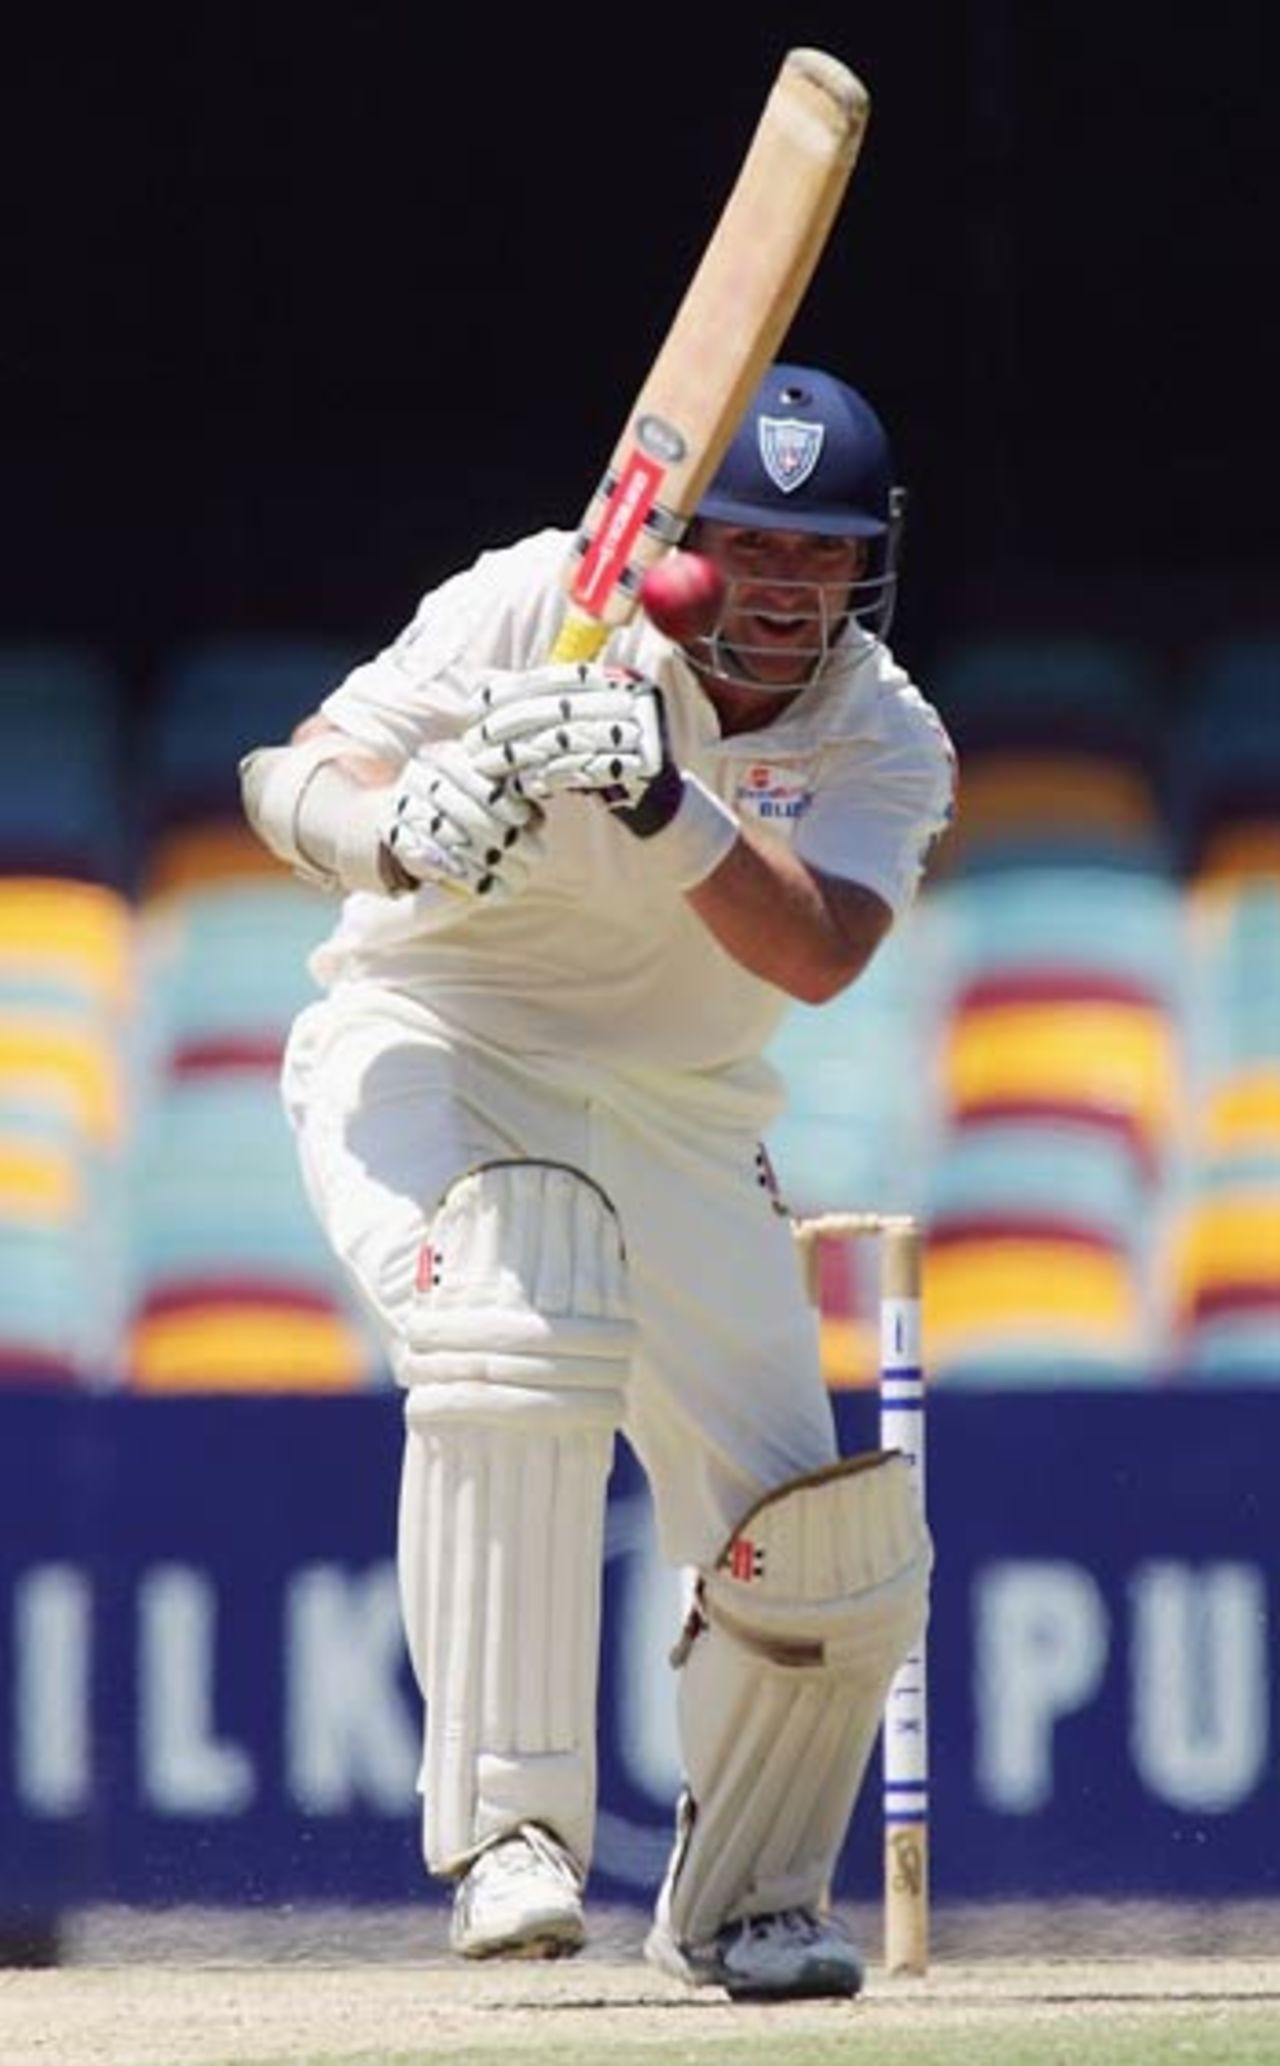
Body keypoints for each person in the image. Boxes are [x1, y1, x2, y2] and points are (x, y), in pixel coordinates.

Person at [240, 362, 955, 2000]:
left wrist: (663, 798)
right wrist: (394, 829)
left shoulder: (885, 733)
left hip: (687, 1106)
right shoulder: (536, 599)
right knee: (519, 1295)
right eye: (755, 547)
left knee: (824, 1539)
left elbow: (822, 947)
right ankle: (511, 1836)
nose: (787, 587)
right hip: (431, 1043)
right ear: (687, 543)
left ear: (868, 565)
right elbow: (286, 774)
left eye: (821, 554)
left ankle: (752, 1896)